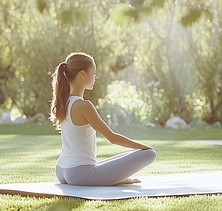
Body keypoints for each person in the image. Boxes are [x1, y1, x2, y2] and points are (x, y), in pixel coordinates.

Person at [50, 52, 156, 186]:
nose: (95, 77)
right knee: (150, 155)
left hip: (62, 170)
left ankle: (111, 178)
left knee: (110, 162)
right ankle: (111, 179)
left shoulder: (63, 102)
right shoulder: (84, 106)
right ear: (83, 74)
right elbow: (113, 138)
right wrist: (145, 147)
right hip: (79, 174)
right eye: (93, 73)